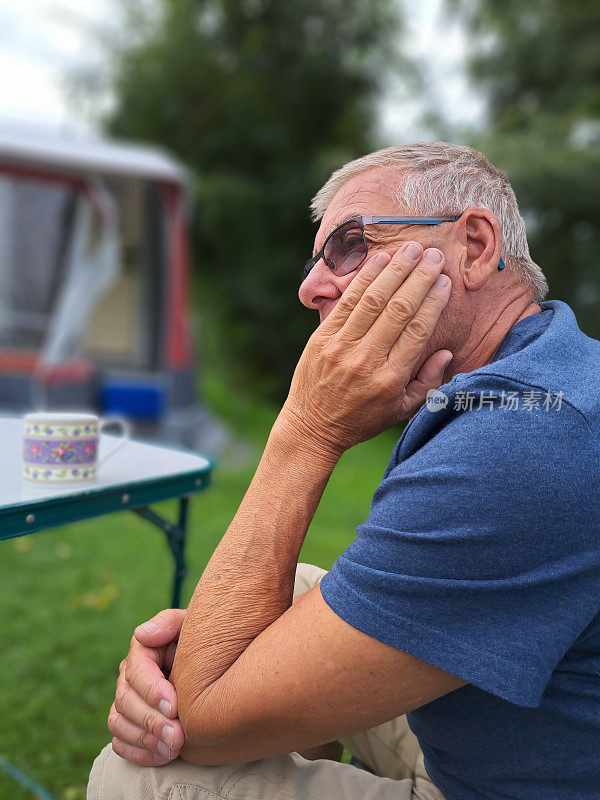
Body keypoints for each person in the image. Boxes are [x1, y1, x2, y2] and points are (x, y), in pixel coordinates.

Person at [88, 142, 600, 800]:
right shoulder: (539, 373)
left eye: (351, 244)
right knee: (292, 592)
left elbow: (201, 717)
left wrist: (306, 429)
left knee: (137, 773)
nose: (310, 287)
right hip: (531, 737)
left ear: (473, 246)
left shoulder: (522, 440)